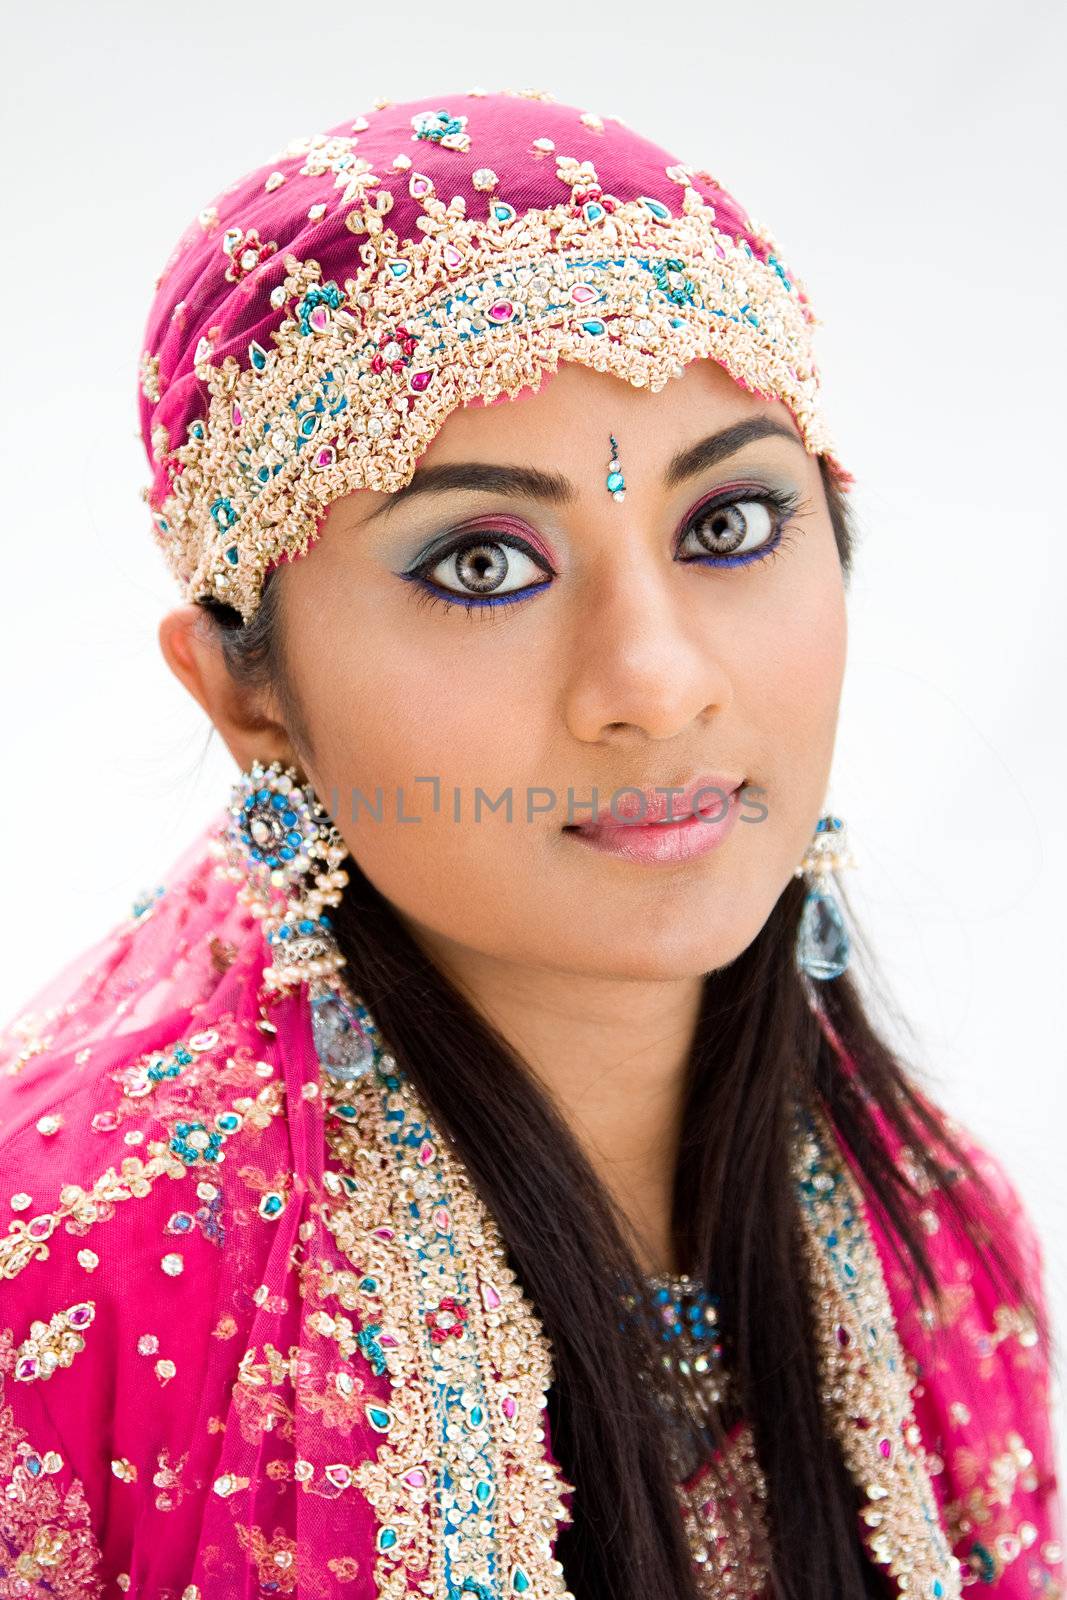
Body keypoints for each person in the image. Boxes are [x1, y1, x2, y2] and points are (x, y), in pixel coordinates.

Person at [0, 87, 1060, 1600]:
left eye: (729, 527)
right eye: (484, 561)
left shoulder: (939, 1240)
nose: (658, 683)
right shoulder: (69, 1291)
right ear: (245, 689)